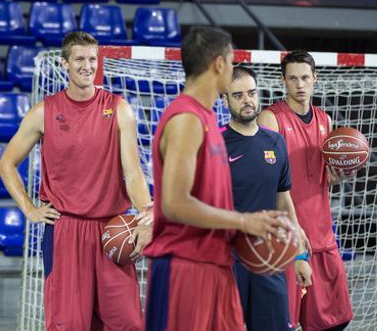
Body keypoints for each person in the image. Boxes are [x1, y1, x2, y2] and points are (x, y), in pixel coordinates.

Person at [0, 31, 154, 331]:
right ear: (65, 63)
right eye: (80, 59)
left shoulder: (119, 108)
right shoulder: (44, 111)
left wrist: (146, 214)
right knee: (68, 325)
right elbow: (7, 163)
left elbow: (133, 172)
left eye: (92, 59)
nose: (87, 66)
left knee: (129, 324)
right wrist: (29, 209)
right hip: (64, 232)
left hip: (111, 229)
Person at [142, 26, 291, 331]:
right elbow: (173, 203)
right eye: (232, 61)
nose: (233, 68)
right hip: (185, 268)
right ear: (219, 64)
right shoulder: (186, 119)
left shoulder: (207, 118)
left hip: (215, 264)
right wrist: (243, 221)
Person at [258, 50, 354, 331]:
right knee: (279, 324)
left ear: (315, 78)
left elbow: (325, 179)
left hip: (322, 237)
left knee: (335, 322)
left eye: (304, 78)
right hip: (287, 239)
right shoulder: (270, 120)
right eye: (292, 79)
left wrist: (340, 173)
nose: (299, 85)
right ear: (283, 81)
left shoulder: (325, 121)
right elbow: (266, 183)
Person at [222, 65, 313, 330]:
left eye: (251, 93)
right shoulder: (214, 144)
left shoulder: (275, 142)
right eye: (237, 95)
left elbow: (284, 202)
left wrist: (298, 256)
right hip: (227, 260)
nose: (247, 100)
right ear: (225, 99)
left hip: (269, 257)